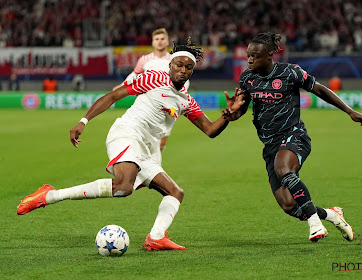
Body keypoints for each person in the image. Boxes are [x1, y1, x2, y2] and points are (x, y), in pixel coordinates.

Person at [17, 40, 244, 251]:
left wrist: (227, 115)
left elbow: (210, 130)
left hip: (143, 147)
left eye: (188, 67)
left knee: (175, 192)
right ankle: (50, 195)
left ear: (192, 71)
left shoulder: (186, 101)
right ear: (171, 64)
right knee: (124, 186)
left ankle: (156, 237)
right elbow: (114, 96)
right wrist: (83, 121)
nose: (183, 70)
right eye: (179, 65)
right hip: (126, 133)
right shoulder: (154, 78)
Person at [225, 32, 362, 242]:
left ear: (269, 56)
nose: (249, 60)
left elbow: (319, 89)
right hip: (270, 144)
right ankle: (331, 215)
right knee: (288, 205)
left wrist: (349, 111)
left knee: (284, 169)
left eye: (254, 56)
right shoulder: (248, 78)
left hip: (294, 135)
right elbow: (243, 109)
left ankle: (315, 224)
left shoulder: (290, 72)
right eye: (248, 55)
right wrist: (233, 113)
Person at [113, 28, 183, 164]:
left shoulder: (174, 60)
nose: (160, 42)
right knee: (146, 145)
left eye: (162, 39)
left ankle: (143, 173)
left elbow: (182, 80)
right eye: (157, 39)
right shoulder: (145, 60)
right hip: (145, 105)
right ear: (152, 42)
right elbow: (135, 75)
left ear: (167, 41)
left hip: (166, 106)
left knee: (157, 145)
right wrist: (122, 86)